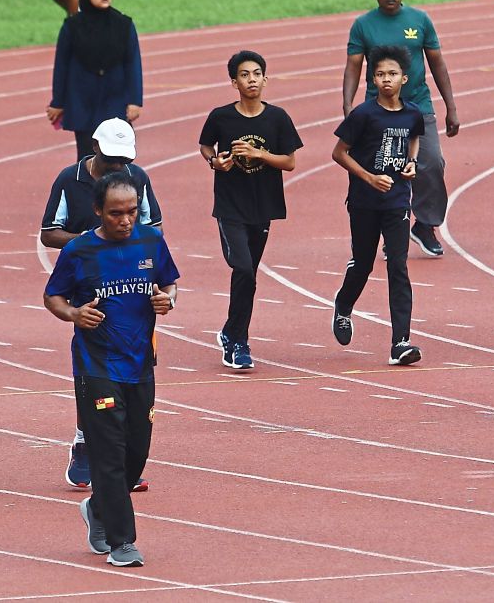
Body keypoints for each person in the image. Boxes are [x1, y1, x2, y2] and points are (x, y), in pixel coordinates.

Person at [44, 171, 180, 568]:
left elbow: (170, 285)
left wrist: (166, 301)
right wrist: (73, 312)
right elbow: (53, 296)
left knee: (137, 451)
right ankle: (123, 542)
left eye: (132, 212)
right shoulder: (80, 251)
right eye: (117, 213)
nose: (125, 220)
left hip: (141, 363)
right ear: (98, 211)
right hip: (96, 365)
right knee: (108, 453)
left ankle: (99, 506)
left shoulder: (151, 241)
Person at [41, 117, 161, 490]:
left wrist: (129, 246)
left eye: (124, 159)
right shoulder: (69, 179)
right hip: (87, 282)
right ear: (94, 148)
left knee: (131, 371)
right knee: (94, 366)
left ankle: (122, 457)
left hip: (131, 284)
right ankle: (84, 440)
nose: (117, 166)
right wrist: (92, 243)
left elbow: (153, 226)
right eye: (111, 158)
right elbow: (48, 231)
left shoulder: (136, 177)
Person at [341, 0, 458, 258]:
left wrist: (451, 107)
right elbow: (354, 66)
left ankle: (425, 224)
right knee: (381, 168)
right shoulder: (363, 25)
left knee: (431, 163)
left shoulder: (419, 20)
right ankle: (383, 231)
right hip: (377, 111)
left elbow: (437, 63)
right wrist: (347, 105)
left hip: (417, 105)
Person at [198, 50, 302, 371]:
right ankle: (239, 343)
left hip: (263, 207)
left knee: (249, 275)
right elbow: (206, 146)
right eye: (244, 75)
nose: (252, 79)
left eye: (257, 73)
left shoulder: (278, 118)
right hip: (230, 207)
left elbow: (290, 161)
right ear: (234, 82)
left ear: (265, 79)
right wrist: (217, 162)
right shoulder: (221, 117)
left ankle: (231, 332)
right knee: (242, 268)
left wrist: (259, 154)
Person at [331, 46, 424, 367]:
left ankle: (401, 341)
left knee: (398, 265)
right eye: (381, 74)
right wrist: (370, 178)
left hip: (397, 201)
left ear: (404, 78)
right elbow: (339, 153)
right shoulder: (363, 115)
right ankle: (343, 306)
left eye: (393, 74)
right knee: (364, 264)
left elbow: (414, 138)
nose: (387, 79)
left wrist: (411, 163)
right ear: (373, 79)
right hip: (363, 202)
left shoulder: (412, 113)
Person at [48, 0, 143, 161]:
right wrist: (58, 102)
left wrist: (135, 100)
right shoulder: (72, 27)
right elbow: (61, 65)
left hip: (115, 99)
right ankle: (87, 189)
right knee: (87, 155)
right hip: (83, 100)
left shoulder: (124, 25)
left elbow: (133, 63)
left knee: (118, 155)